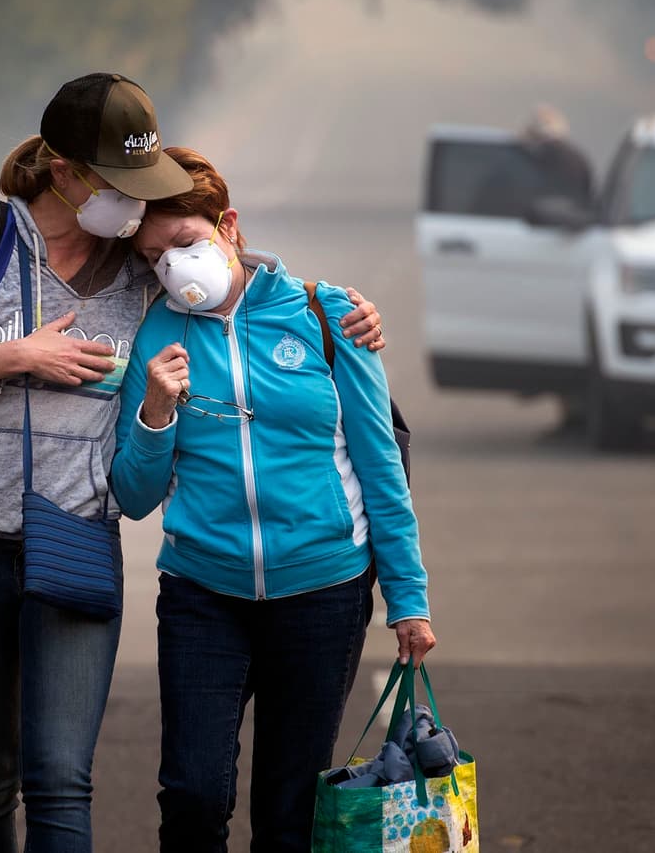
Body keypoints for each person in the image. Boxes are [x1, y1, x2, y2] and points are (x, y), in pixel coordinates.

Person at [0, 74, 385, 853]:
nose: (137, 203)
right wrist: (7, 357)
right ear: (66, 173)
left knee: (61, 780)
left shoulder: (139, 269)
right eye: (120, 182)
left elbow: (219, 266)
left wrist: (334, 304)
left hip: (75, 538)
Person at [111, 147, 435, 853]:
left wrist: (408, 597)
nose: (172, 265)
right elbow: (133, 498)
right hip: (204, 593)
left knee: (290, 812)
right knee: (194, 796)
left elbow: (381, 464)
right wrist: (156, 414)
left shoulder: (329, 315)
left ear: (229, 226)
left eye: (185, 242)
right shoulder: (156, 336)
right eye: (154, 256)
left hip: (324, 594)